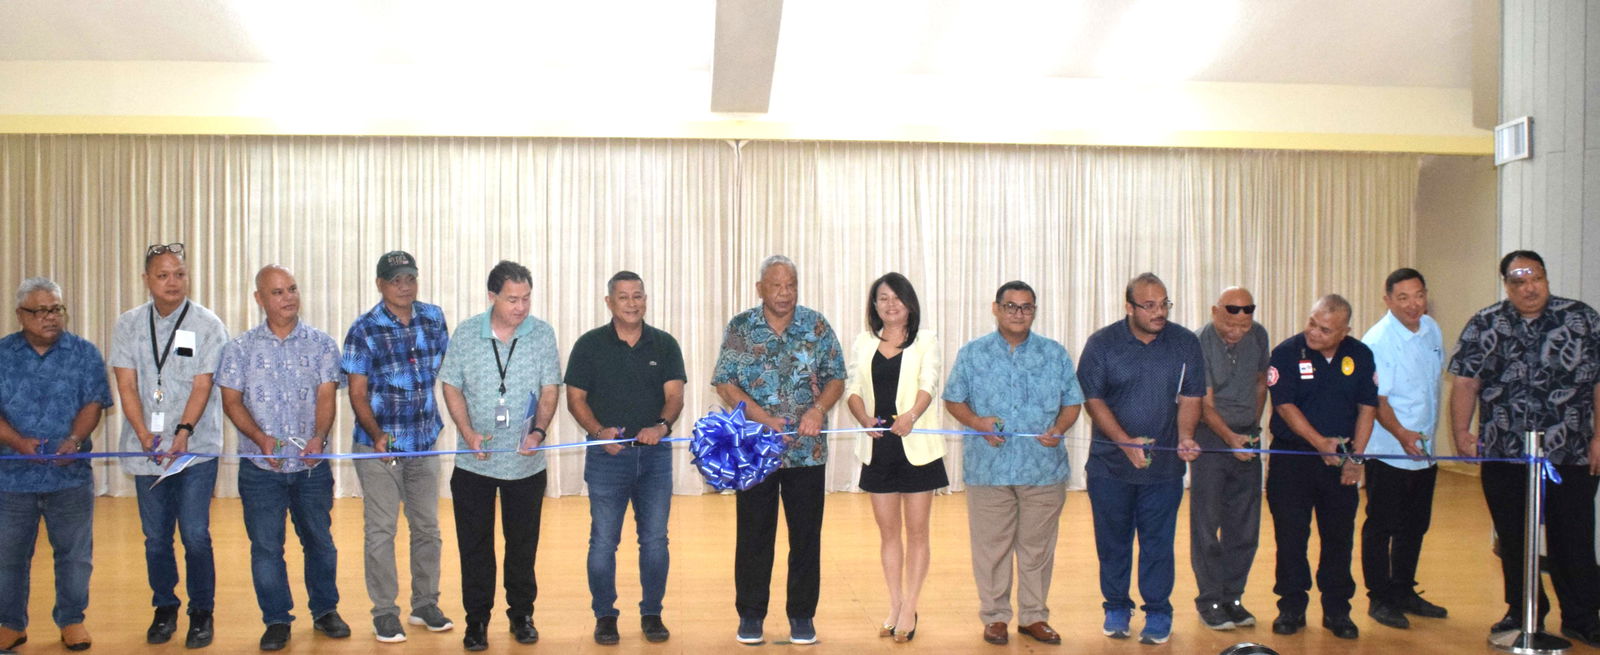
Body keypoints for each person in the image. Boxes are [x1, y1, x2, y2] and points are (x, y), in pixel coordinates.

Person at [1449, 250, 1600, 645]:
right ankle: (1523, 610)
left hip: (1571, 451)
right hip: (1506, 452)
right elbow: (1466, 382)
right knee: (1514, 537)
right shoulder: (1485, 323)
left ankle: (1582, 616)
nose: (1530, 288)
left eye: (1536, 279)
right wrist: (1462, 432)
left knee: (1573, 537)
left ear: (1546, 278)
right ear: (1507, 285)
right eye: (1519, 282)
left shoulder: (1581, 319)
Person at [712, 255, 845, 646]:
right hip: (755, 450)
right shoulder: (741, 327)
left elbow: (837, 377)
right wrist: (763, 419)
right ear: (760, 289)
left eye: (791, 285)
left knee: (806, 537)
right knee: (754, 536)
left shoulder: (816, 325)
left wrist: (818, 410)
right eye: (776, 286)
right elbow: (725, 384)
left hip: (807, 452)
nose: (785, 293)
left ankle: (802, 616)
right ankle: (751, 615)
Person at [944, 280, 1084, 646]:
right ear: (996, 309)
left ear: (1034, 311)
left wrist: (1059, 428)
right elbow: (953, 399)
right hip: (988, 468)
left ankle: (1034, 616)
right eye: (1011, 306)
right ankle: (995, 617)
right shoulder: (973, 354)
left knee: (1037, 549)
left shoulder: (1054, 354)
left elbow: (1073, 402)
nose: (1018, 313)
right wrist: (978, 423)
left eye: (1026, 307)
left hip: (1043, 468)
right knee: (991, 549)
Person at [217, 264, 350, 652]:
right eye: (277, 292)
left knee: (320, 543)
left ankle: (325, 611)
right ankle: (276, 619)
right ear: (259, 299)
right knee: (266, 548)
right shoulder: (239, 349)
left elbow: (326, 396)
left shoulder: (322, 344)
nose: (288, 297)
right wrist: (260, 439)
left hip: (310, 468)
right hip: (261, 469)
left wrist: (319, 437)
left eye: (292, 288)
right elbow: (231, 401)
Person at [438, 260, 561, 652]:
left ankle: (521, 615)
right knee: (475, 547)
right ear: (492, 296)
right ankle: (476, 621)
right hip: (474, 462)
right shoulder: (466, 333)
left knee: (522, 546)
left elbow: (550, 389)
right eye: (512, 299)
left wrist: (538, 432)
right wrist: (467, 432)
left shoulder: (541, 334)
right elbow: (451, 386)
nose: (520, 307)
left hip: (525, 463)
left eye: (526, 298)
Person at [110, 243, 229, 648]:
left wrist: (183, 432)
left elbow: (203, 384)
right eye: (163, 275)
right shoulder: (128, 324)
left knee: (195, 533)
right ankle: (164, 607)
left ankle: (202, 612)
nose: (173, 282)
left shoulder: (207, 324)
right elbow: (126, 384)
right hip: (147, 449)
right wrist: (144, 433)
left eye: (179, 274)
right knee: (156, 536)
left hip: (195, 447)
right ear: (147, 280)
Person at [1077, 273, 1204, 645]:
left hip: (1163, 470)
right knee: (1113, 543)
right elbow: (1093, 399)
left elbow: (1191, 397)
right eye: (1149, 305)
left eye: (1164, 304)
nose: (1159, 312)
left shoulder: (1185, 343)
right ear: (1129, 307)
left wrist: (1185, 436)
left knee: (1158, 544)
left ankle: (1158, 612)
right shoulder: (1102, 344)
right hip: (1109, 466)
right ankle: (1116, 606)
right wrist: (1124, 443)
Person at [565, 271, 685, 645]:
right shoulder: (589, 345)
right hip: (606, 459)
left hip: (655, 458)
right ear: (609, 302)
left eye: (638, 296)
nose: (632, 303)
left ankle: (652, 613)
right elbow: (575, 399)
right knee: (603, 541)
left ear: (645, 299)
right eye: (623, 297)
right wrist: (598, 432)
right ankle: (605, 616)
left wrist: (662, 427)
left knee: (655, 540)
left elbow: (675, 396)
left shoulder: (664, 344)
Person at [340, 250, 454, 643]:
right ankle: (385, 613)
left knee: (427, 528)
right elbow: (356, 393)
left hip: (423, 443)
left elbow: (448, 373)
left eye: (410, 278)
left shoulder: (433, 318)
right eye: (395, 280)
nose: (404, 286)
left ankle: (425, 604)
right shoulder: (363, 329)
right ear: (380, 285)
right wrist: (376, 435)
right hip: (378, 449)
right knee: (381, 531)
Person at [0, 277, 113, 652]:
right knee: (9, 557)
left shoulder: (84, 353)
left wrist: (74, 441)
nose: (50, 317)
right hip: (12, 479)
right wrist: (18, 442)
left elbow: (94, 403)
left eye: (56, 309)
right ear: (20, 314)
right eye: (40, 311)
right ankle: (10, 624)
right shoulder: (3, 354)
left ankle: (72, 620)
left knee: (75, 556)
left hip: (69, 477)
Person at [1263, 295, 1376, 640]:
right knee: (1291, 538)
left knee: (1339, 538)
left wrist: (1356, 459)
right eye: (1312, 322)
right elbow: (1285, 406)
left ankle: (1337, 610)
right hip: (1292, 459)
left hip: (1341, 461)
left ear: (1344, 332)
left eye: (1325, 329)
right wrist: (1318, 443)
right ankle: (1291, 607)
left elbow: (1367, 408)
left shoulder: (1360, 355)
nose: (1314, 332)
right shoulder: (1286, 353)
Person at [843, 272, 946, 643]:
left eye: (896, 297)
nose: (890, 304)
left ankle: (910, 607)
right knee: (888, 533)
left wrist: (911, 416)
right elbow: (853, 388)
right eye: (883, 298)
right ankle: (895, 603)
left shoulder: (926, 340)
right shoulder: (863, 342)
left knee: (917, 532)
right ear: (874, 305)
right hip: (879, 447)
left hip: (917, 447)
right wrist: (862, 418)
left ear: (909, 303)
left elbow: (928, 383)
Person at [1360, 268, 1448, 629]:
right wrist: (1401, 434)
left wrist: (1420, 438)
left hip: (1425, 450)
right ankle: (1379, 598)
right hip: (1389, 450)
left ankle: (1403, 590)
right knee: (1382, 525)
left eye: (1419, 295)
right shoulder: (1378, 340)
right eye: (1403, 298)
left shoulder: (1432, 329)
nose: (1414, 304)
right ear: (1388, 300)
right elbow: (1377, 401)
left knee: (1415, 525)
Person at [1189, 286, 1270, 631]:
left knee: (1245, 525)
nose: (1237, 332)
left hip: (1246, 434)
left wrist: (1252, 428)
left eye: (1244, 326)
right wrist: (1230, 438)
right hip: (1211, 437)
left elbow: (1261, 383)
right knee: (1207, 525)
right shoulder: (1199, 342)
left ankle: (1232, 597)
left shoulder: (1259, 336)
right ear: (1215, 311)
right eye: (1230, 325)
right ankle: (1209, 600)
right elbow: (1204, 405)